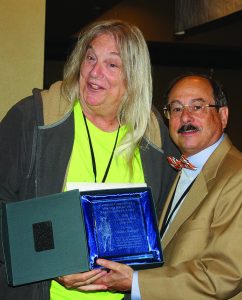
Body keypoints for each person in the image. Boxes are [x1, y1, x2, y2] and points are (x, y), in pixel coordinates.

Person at [0, 20, 179, 300]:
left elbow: (169, 233)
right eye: (91, 57)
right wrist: (52, 263)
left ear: (133, 77)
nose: (95, 72)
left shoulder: (155, 137)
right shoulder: (34, 119)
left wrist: (137, 279)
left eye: (112, 65)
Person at [85, 73, 242, 299]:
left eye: (197, 107)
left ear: (223, 115)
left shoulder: (236, 176)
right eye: (176, 109)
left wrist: (136, 282)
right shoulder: (176, 170)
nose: (185, 117)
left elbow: (224, 274)